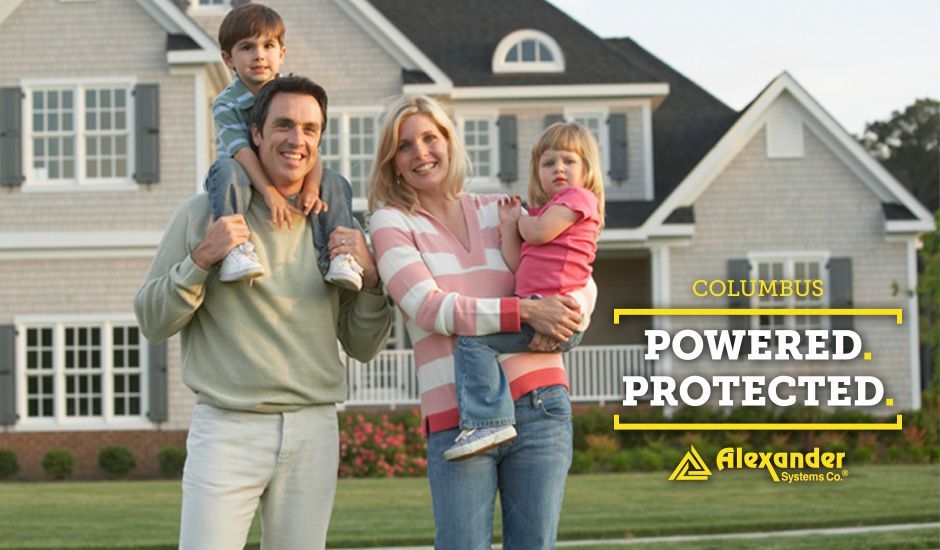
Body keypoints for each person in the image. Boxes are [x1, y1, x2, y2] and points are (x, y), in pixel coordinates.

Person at [134, 76, 392, 550]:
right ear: (255, 133)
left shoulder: (336, 221)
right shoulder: (202, 214)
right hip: (227, 429)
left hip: (314, 429)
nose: (297, 140)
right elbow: (151, 320)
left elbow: (362, 344)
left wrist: (374, 280)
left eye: (311, 129)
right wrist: (202, 259)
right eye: (284, 125)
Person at [368, 95, 596, 549]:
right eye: (405, 145)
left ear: (450, 142)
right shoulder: (391, 222)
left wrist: (574, 309)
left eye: (431, 138)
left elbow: (576, 270)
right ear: (392, 160)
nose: (421, 152)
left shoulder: (502, 209)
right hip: (459, 417)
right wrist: (528, 311)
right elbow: (429, 307)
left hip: (541, 406)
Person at [443, 121, 605, 461]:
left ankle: (488, 420)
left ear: (586, 169)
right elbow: (518, 266)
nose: (558, 168)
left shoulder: (578, 199)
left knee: (473, 342)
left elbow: (540, 232)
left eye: (568, 161)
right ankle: (495, 416)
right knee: (480, 344)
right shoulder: (547, 211)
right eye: (548, 163)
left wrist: (521, 220)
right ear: (537, 171)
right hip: (538, 307)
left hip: (557, 312)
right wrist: (508, 226)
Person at [208, 3, 364, 289]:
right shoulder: (225, 103)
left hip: (289, 172)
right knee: (226, 169)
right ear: (228, 59)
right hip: (242, 176)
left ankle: (340, 255)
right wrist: (269, 193)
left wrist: (312, 188)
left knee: (335, 181)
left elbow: (309, 149)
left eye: (268, 45)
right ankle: (234, 249)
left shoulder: (293, 94)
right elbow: (242, 151)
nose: (259, 56)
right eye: (247, 47)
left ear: (281, 54)